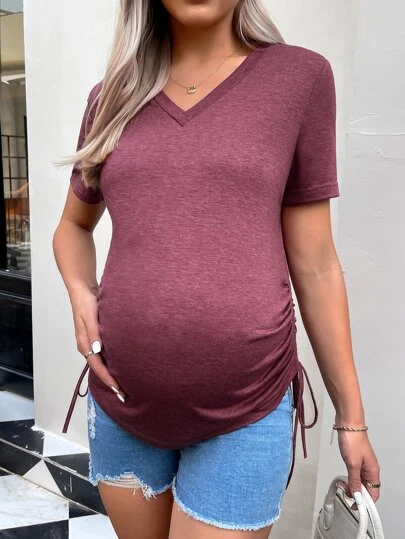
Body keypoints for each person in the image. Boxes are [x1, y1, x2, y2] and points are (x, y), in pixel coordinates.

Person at [53, 1, 381, 537]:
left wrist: (352, 419)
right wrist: (80, 295)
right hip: (122, 400)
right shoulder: (111, 97)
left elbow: (317, 262)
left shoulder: (298, 78)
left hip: (247, 406)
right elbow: (72, 226)